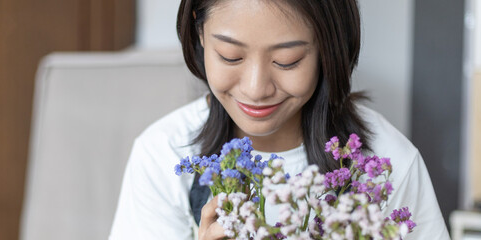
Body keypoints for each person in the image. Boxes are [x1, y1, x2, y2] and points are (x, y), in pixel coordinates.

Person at [109, 0, 449, 239]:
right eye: (230, 56)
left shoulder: (386, 164)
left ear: (327, 48)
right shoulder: (164, 154)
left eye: (287, 61)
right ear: (199, 31)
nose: (256, 89)